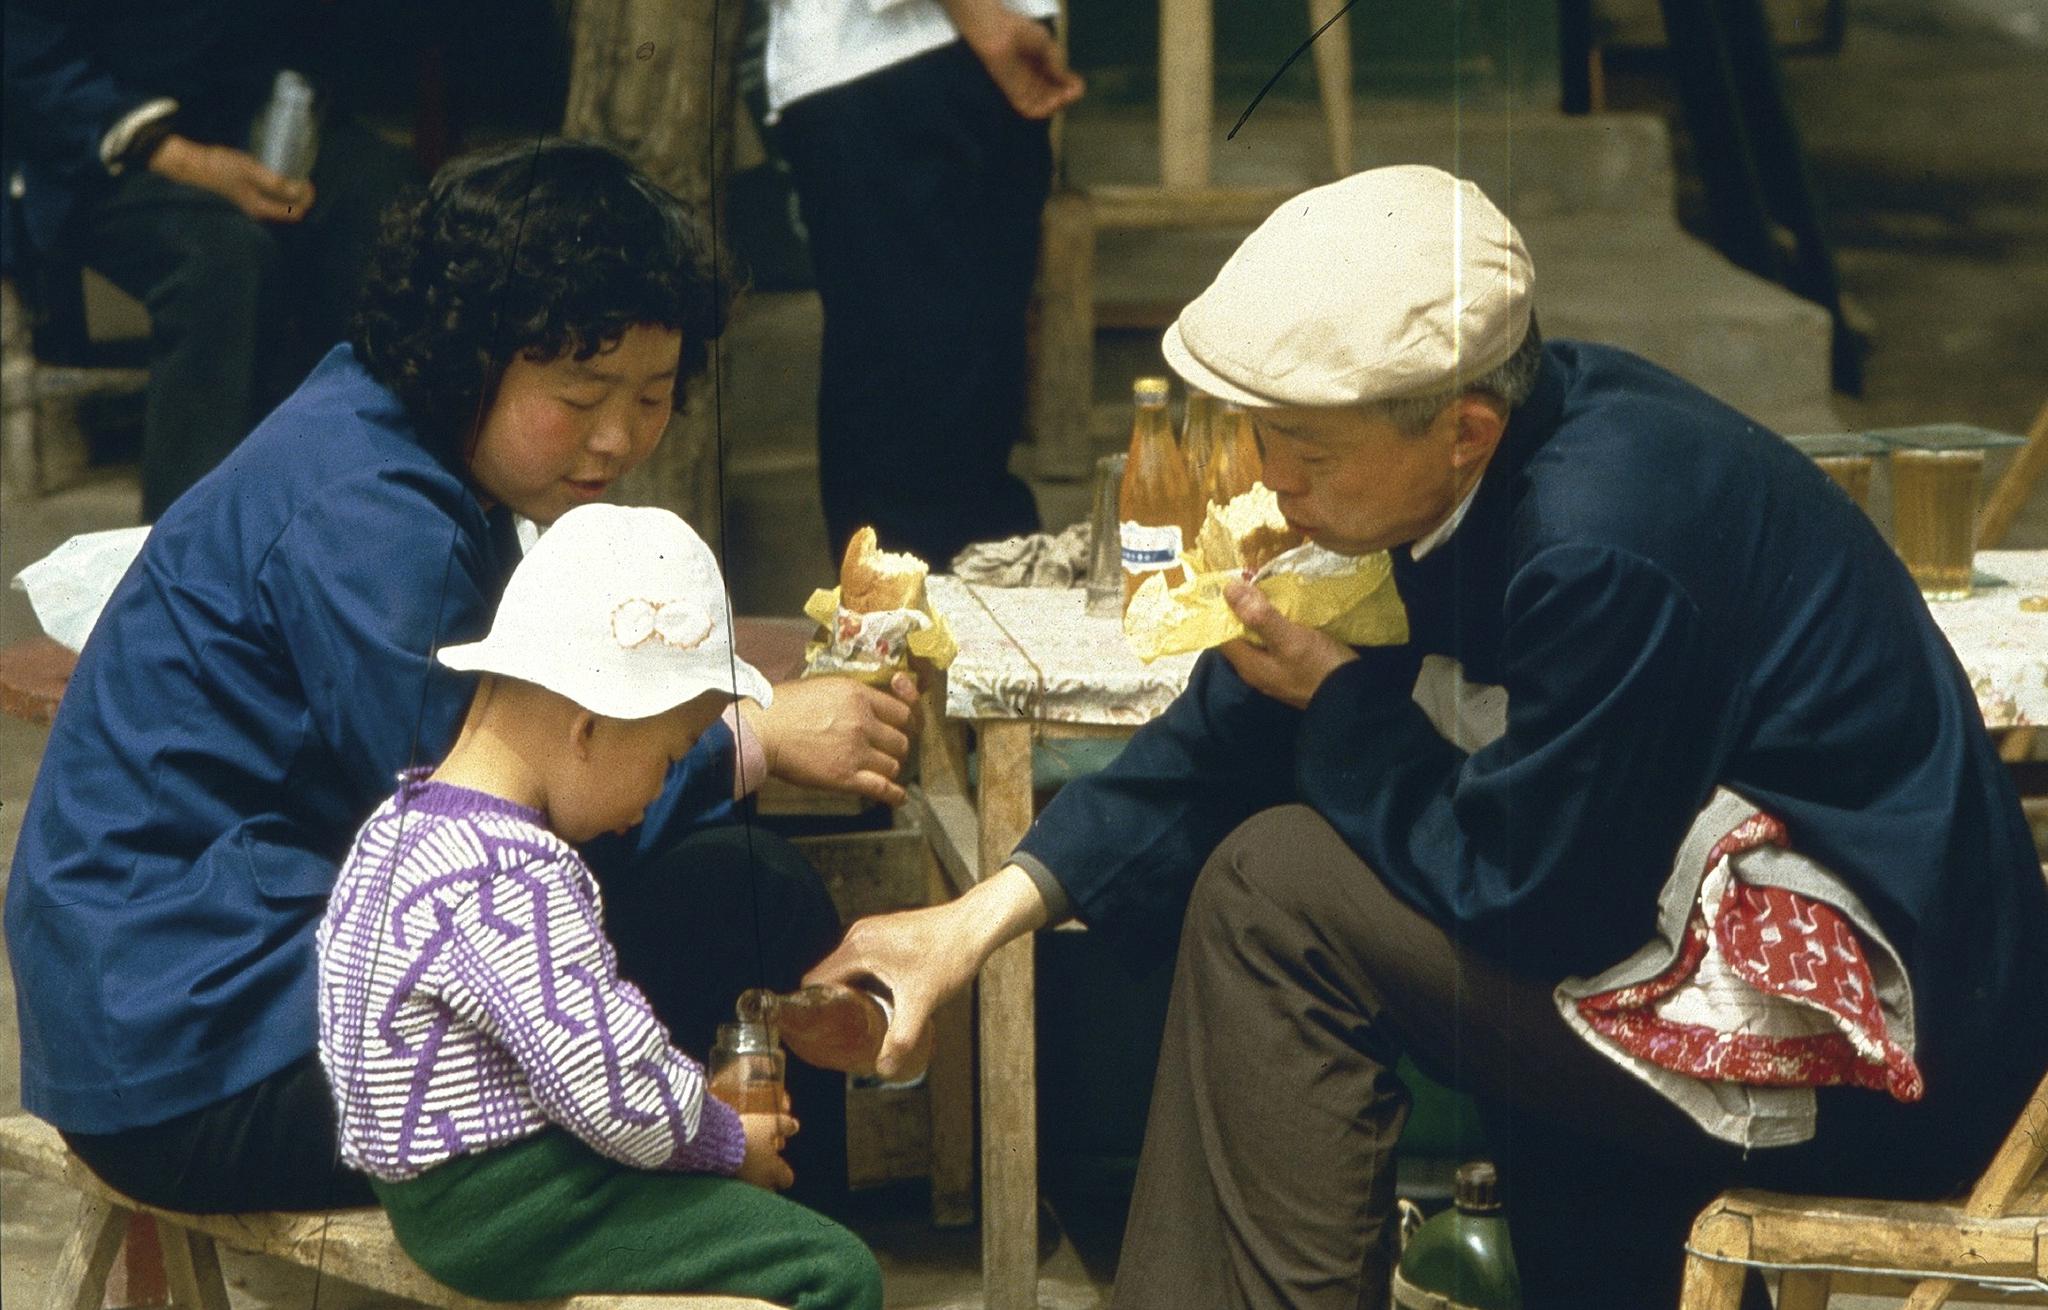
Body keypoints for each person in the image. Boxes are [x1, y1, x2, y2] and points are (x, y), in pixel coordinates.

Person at [805, 166, 2048, 1308]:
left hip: (1880, 1047)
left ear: (1461, 428)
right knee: (1301, 839)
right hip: (1674, 930)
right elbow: (1232, 723)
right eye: (1261, 443)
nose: (1273, 487)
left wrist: (1344, 703)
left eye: (1307, 456)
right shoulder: (1453, 473)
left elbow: (1527, 891)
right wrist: (970, 927)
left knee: (1279, 887)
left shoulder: (1598, 536)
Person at [5, 138, 919, 1215]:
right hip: (202, 1054)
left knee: (718, 885)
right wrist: (750, 734)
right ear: (467, 354)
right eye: (579, 396)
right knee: (738, 899)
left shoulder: (380, 429)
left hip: (177, 1005)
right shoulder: (374, 518)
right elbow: (494, 812)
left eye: (653, 394)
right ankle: (772, 1250)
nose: (619, 436)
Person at [317, 503, 880, 1308]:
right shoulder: (511, 873)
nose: (658, 792)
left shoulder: (400, 828)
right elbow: (604, 1076)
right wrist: (727, 1143)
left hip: (433, 1191)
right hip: (509, 1203)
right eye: (668, 756)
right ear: (588, 728)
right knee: (831, 1270)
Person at [2, 0, 419, 519]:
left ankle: (364, 509)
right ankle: (187, 560)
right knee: (222, 259)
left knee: (385, 207)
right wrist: (188, 161)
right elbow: (26, 61)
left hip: (252, 118)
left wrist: (286, 135)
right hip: (91, 146)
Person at [765, 0, 1084, 567]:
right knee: (915, 434)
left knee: (969, 414)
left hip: (955, 47)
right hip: (898, 52)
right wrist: (981, 17)